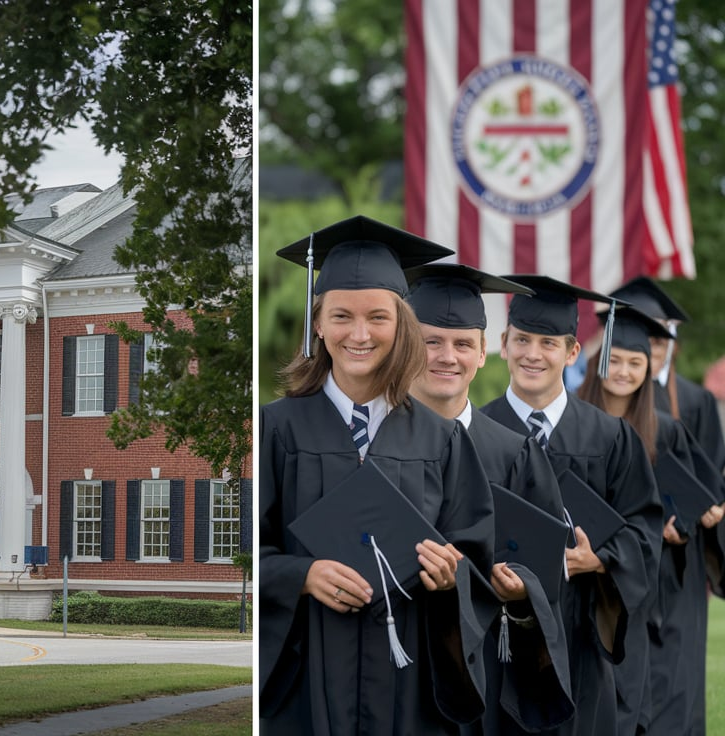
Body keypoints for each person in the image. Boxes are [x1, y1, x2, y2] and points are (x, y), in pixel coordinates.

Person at [260, 216, 496, 734]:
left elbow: (477, 561)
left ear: (402, 324)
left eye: (378, 317)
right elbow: (251, 551)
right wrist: (300, 576)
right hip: (306, 681)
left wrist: (448, 576)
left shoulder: (443, 439)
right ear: (317, 323)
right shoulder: (277, 428)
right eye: (341, 316)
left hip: (409, 685)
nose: (360, 334)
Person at [480, 276, 661, 736]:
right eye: (521, 339)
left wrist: (600, 559)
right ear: (503, 343)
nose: (533, 354)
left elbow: (644, 528)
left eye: (548, 343)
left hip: (580, 638)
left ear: (573, 352)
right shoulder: (474, 433)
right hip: (497, 639)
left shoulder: (610, 438)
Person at [405, 264, 574, 735]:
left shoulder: (515, 452)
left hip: (483, 673)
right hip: (392, 659)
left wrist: (523, 596)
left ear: (483, 354)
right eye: (431, 341)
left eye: (462, 344)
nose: (447, 357)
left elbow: (545, 581)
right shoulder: (373, 443)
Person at [576, 305, 725, 736]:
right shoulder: (571, 423)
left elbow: (703, 497)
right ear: (597, 361)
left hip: (644, 582)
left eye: (635, 362)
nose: (623, 371)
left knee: (636, 700)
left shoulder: (664, 430)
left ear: (650, 368)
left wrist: (689, 522)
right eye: (615, 359)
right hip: (580, 581)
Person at [611, 276, 725, 474]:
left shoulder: (697, 400)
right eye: (642, 340)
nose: (649, 349)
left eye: (657, 340)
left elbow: (710, 471)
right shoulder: (602, 393)